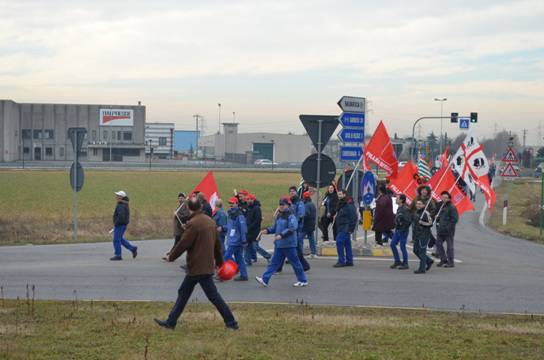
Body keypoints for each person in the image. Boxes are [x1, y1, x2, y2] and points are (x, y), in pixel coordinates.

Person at [154, 198, 238, 331]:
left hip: (197, 267)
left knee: (211, 296)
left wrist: (172, 256)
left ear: (189, 208)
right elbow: (217, 246)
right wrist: (220, 263)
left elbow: (183, 243)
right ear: (200, 207)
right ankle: (171, 322)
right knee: (185, 293)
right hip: (205, 266)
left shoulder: (193, 224)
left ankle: (232, 323)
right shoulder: (210, 222)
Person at [255, 197, 308, 287]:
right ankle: (265, 279)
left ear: (287, 205)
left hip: (289, 245)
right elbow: (274, 228)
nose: (281, 206)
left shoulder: (291, 216)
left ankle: (303, 280)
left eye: (283, 204)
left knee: (295, 263)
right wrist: (266, 231)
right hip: (280, 245)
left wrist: (281, 235)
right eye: (280, 204)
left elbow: (292, 228)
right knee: (274, 263)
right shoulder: (279, 216)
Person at [223, 197, 248, 281]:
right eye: (230, 203)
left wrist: (244, 240)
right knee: (239, 258)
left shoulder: (239, 215)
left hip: (236, 241)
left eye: (232, 203)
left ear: (237, 204)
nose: (231, 205)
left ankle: (220, 274)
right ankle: (244, 275)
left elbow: (243, 229)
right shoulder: (230, 214)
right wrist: (222, 228)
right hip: (232, 240)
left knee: (225, 257)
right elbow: (229, 227)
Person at [110, 190, 137, 261]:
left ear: (121, 197)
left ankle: (118, 255)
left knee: (116, 240)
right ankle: (133, 248)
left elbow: (121, 216)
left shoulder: (121, 205)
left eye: (118, 196)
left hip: (120, 224)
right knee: (120, 239)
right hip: (122, 224)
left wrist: (116, 223)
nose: (116, 197)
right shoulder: (123, 204)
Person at [333, 190, 358, 267]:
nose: (339, 196)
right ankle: (349, 261)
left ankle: (341, 261)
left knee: (339, 242)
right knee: (347, 244)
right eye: (338, 194)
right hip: (341, 226)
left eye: (340, 194)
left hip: (345, 227)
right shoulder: (341, 204)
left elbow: (354, 217)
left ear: (344, 194)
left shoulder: (349, 205)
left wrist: (351, 229)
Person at [435, 191, 459, 268]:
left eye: (446, 198)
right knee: (438, 244)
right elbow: (441, 217)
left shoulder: (452, 207)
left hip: (449, 231)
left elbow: (455, 219)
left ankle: (451, 262)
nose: (444, 199)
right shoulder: (442, 206)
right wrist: (437, 218)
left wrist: (448, 227)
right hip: (441, 230)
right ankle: (443, 259)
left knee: (449, 247)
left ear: (449, 198)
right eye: (442, 197)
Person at [244, 194, 271, 265]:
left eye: (250, 199)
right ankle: (247, 261)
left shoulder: (256, 208)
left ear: (253, 200)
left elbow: (258, 220)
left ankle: (268, 256)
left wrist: (250, 227)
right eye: (248, 199)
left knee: (255, 247)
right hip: (248, 231)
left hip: (255, 232)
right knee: (246, 246)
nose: (249, 201)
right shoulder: (248, 208)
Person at [412, 199, 434, 274]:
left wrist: (422, 223)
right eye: (417, 204)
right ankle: (429, 260)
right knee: (415, 250)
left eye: (420, 204)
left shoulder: (426, 213)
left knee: (422, 252)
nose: (418, 205)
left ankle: (422, 269)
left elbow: (430, 224)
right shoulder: (416, 213)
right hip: (417, 235)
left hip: (424, 235)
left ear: (424, 205)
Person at [390, 195, 411, 270]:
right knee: (392, 244)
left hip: (403, 230)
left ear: (401, 200)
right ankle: (397, 261)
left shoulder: (405, 209)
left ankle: (405, 263)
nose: (396, 199)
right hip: (397, 230)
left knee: (402, 246)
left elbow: (408, 221)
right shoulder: (399, 208)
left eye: (397, 198)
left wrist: (403, 228)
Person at [302, 191, 317, 258]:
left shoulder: (306, 205)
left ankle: (299, 252)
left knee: (299, 238)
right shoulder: (312, 204)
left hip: (306, 224)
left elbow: (306, 214)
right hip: (312, 223)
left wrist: (301, 218)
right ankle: (313, 252)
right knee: (311, 238)